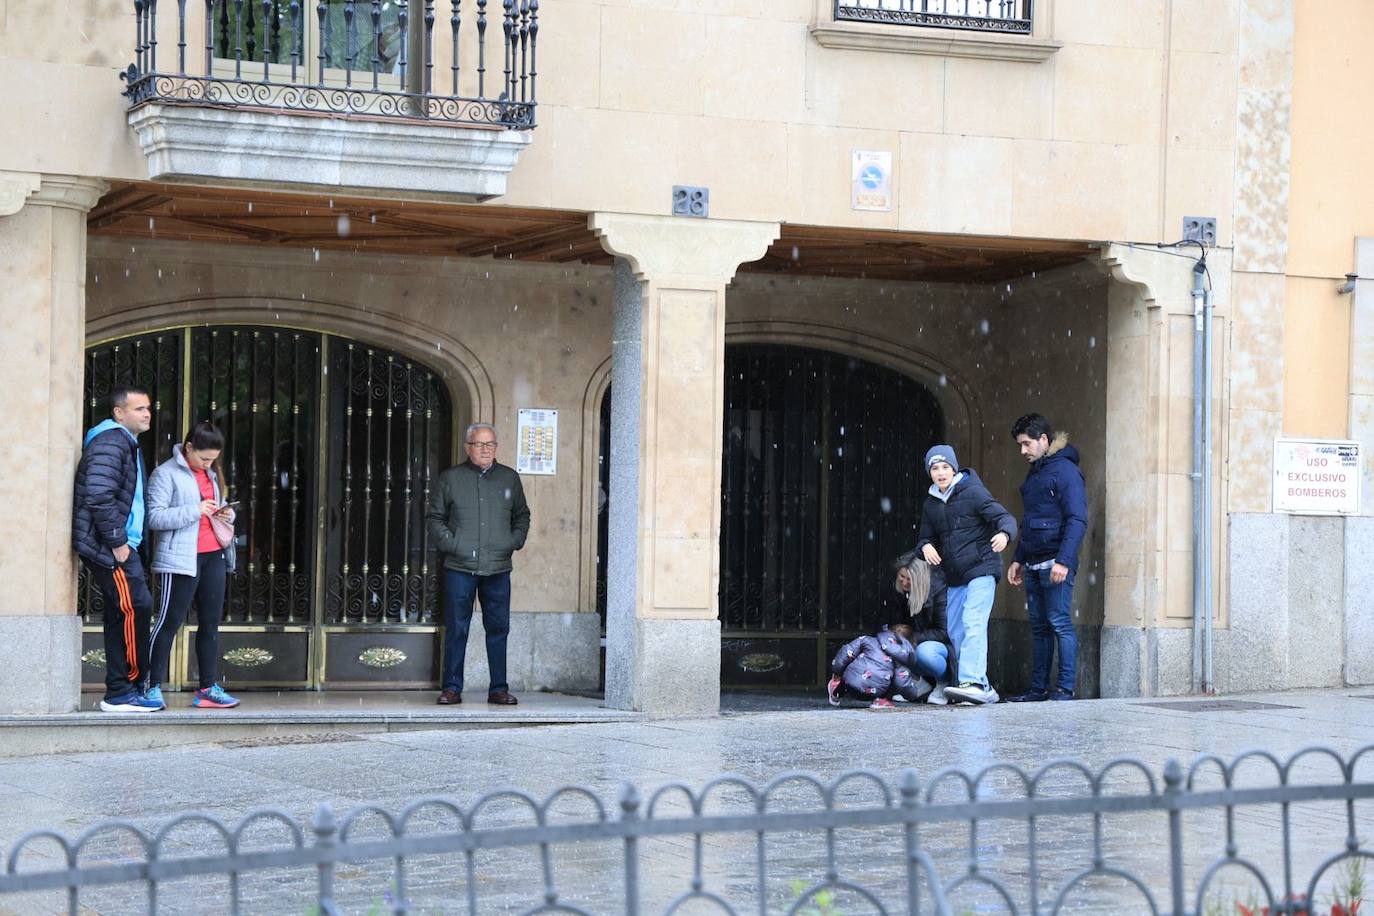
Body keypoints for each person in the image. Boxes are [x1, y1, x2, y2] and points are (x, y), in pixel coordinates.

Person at [426, 423, 530, 706]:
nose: (485, 450)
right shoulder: (451, 479)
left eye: (490, 444)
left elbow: (522, 516)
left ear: (496, 447)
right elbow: (435, 518)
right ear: (467, 447)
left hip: (498, 568)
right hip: (460, 567)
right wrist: (454, 544)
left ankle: (498, 688)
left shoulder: (509, 479)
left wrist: (513, 541)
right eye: (479, 444)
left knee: (498, 629)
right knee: (457, 628)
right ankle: (451, 688)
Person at [73, 386, 162, 712]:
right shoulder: (112, 440)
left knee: (122, 613)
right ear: (118, 413)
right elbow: (98, 494)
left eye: (148, 408)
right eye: (138, 408)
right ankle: (124, 690)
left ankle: (120, 691)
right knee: (136, 607)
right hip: (113, 547)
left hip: (120, 545)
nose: (146, 413)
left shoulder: (122, 441)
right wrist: (118, 543)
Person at [146, 422, 240, 710]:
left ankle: (207, 688)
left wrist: (227, 514)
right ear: (188, 448)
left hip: (214, 553)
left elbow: (215, 510)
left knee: (210, 623)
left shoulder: (211, 475)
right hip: (181, 558)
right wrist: (195, 510)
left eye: (213, 459)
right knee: (169, 622)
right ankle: (149, 686)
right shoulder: (165, 474)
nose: (209, 463)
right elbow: (154, 518)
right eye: (203, 458)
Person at [916, 444, 1017, 706]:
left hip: (982, 568)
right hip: (955, 576)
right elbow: (925, 537)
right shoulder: (931, 503)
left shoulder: (973, 492)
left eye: (945, 467)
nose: (940, 473)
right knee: (956, 631)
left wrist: (1004, 535)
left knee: (973, 622)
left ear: (954, 468)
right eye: (935, 468)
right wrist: (926, 546)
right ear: (930, 472)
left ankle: (971, 681)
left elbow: (1005, 518)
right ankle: (981, 685)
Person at [1005, 413, 1088, 703]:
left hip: (1056, 563)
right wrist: (1018, 558)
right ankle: (1037, 689)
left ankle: (1065, 690)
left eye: (1026, 444)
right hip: (1034, 562)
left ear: (1043, 440)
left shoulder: (1065, 471)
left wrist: (1063, 561)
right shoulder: (1038, 471)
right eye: (1020, 445)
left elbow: (1077, 519)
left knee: (1059, 623)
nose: (1022, 451)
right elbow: (1031, 520)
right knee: (1040, 628)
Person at [894, 551, 954, 706]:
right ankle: (920, 683)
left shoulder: (938, 592)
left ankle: (944, 683)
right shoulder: (906, 593)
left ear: (919, 579)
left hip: (943, 647)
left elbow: (945, 632)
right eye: (902, 577)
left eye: (909, 579)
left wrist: (915, 637)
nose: (905, 583)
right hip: (923, 639)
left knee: (925, 653)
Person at [826, 622, 930, 709]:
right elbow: (902, 684)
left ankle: (836, 691)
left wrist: (837, 673)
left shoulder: (869, 640)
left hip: (849, 682)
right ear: (908, 643)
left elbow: (846, 652)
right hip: (872, 692)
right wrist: (914, 695)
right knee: (893, 674)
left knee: (855, 660)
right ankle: (881, 700)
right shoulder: (900, 660)